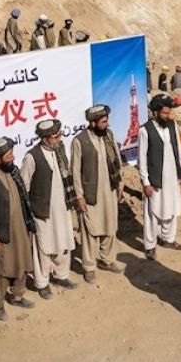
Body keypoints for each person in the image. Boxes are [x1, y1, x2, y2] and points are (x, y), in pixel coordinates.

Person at [0, 137, 36, 320]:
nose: (12, 158)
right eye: (8, 156)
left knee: (22, 261)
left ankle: (18, 295)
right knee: (0, 269)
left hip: (20, 226)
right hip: (1, 233)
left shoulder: (13, 171)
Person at [22, 119, 78, 299]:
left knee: (64, 242)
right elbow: (24, 187)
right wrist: (31, 211)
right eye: (55, 137)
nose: (59, 139)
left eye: (59, 135)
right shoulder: (32, 157)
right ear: (45, 139)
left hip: (63, 207)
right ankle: (42, 283)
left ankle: (61, 275)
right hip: (43, 210)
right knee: (44, 247)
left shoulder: (60, 150)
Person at [71, 104, 125, 280]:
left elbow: (117, 158)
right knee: (89, 230)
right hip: (90, 193)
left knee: (110, 225)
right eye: (103, 121)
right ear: (93, 123)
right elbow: (75, 171)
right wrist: (79, 196)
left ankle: (107, 259)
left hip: (109, 190)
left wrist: (120, 183)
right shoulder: (79, 141)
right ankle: (89, 266)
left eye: (106, 120)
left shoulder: (108, 135)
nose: (106, 124)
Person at [138, 93, 181, 259]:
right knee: (152, 211)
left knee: (172, 206)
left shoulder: (172, 125)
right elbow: (142, 159)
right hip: (155, 178)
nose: (168, 115)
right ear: (156, 112)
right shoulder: (145, 130)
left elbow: (178, 150)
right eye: (165, 113)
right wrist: (145, 182)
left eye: (169, 112)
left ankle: (168, 238)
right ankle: (150, 245)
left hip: (172, 176)